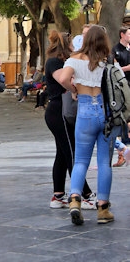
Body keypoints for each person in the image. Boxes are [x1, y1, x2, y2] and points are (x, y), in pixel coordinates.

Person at [59, 24, 119, 225]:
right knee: (104, 162)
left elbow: (64, 78)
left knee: (81, 160)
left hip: (84, 111)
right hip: (105, 113)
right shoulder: (109, 62)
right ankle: (103, 209)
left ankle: (75, 199)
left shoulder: (74, 60)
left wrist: (73, 89)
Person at [44, 31, 95, 210]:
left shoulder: (62, 62)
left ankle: (58, 195)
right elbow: (63, 80)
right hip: (59, 111)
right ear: (68, 46)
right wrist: (75, 89)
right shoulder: (55, 62)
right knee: (72, 153)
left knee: (63, 153)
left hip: (60, 111)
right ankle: (86, 195)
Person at [111, 25, 130, 152]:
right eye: (129, 34)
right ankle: (124, 138)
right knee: (124, 111)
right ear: (122, 35)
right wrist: (127, 68)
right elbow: (113, 69)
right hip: (122, 85)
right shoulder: (115, 50)